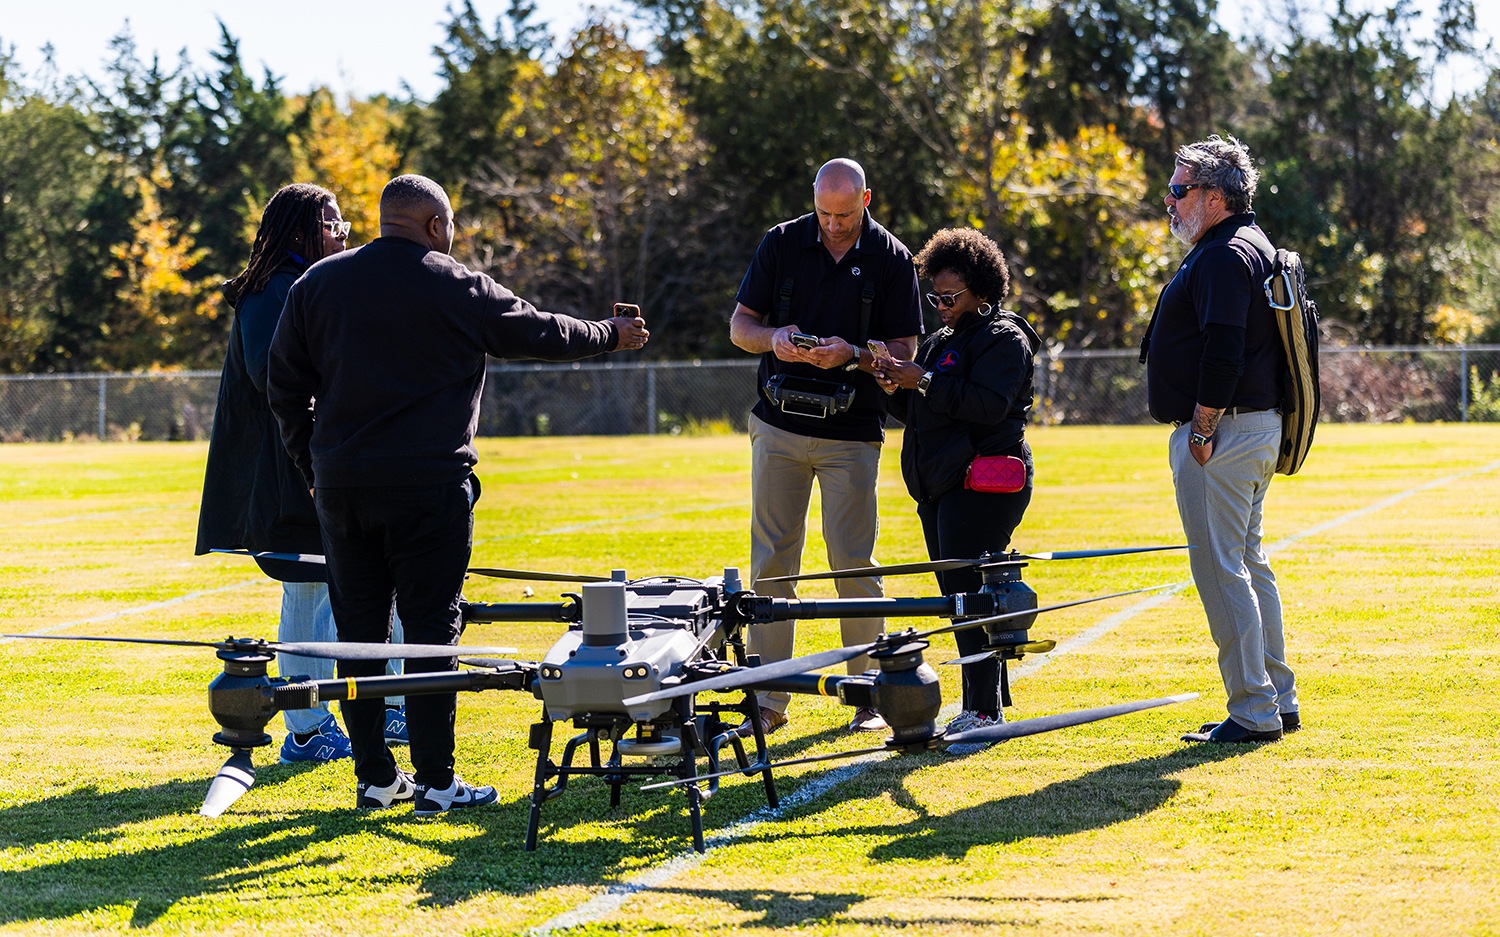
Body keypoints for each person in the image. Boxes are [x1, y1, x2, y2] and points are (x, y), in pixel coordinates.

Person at [268, 173, 648, 815]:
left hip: (343, 486)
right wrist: (612, 335)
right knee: (429, 633)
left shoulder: (317, 284)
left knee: (358, 636)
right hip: (429, 486)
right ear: (436, 225)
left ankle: (375, 780)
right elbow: (542, 332)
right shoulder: (456, 283)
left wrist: (312, 464)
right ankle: (437, 783)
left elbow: (282, 387)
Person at [195, 183, 403, 765]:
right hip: (290, 472)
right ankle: (308, 729)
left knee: (371, 579)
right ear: (298, 233)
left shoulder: (311, 284)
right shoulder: (270, 292)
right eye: (332, 223)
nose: (343, 232)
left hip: (332, 464)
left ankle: (388, 702)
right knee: (310, 589)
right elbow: (272, 377)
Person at [729, 158, 923, 736]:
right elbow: (741, 327)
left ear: (866, 198)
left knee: (853, 563)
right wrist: (776, 340)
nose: (833, 226)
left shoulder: (892, 257)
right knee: (771, 561)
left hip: (853, 432)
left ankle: (867, 695)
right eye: (823, 213)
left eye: (844, 214)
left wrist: (855, 354)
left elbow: (904, 353)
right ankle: (768, 699)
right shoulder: (781, 243)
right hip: (779, 426)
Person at [1139, 134, 1299, 743]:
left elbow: (1224, 349)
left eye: (1179, 190)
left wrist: (1202, 430)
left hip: (1224, 434)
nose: (1170, 202)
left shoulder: (1225, 254)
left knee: (1221, 570)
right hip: (1248, 430)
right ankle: (1275, 699)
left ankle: (1254, 710)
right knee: (1249, 566)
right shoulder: (1247, 245)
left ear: (1213, 195)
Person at [873, 228, 1037, 754]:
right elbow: (927, 411)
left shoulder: (1005, 337)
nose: (940, 306)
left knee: (970, 597)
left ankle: (981, 711)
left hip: (981, 484)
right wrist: (894, 385)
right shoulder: (944, 341)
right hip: (940, 483)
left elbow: (986, 406)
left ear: (982, 290)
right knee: (956, 599)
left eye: (950, 297)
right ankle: (980, 703)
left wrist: (919, 379)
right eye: (934, 298)